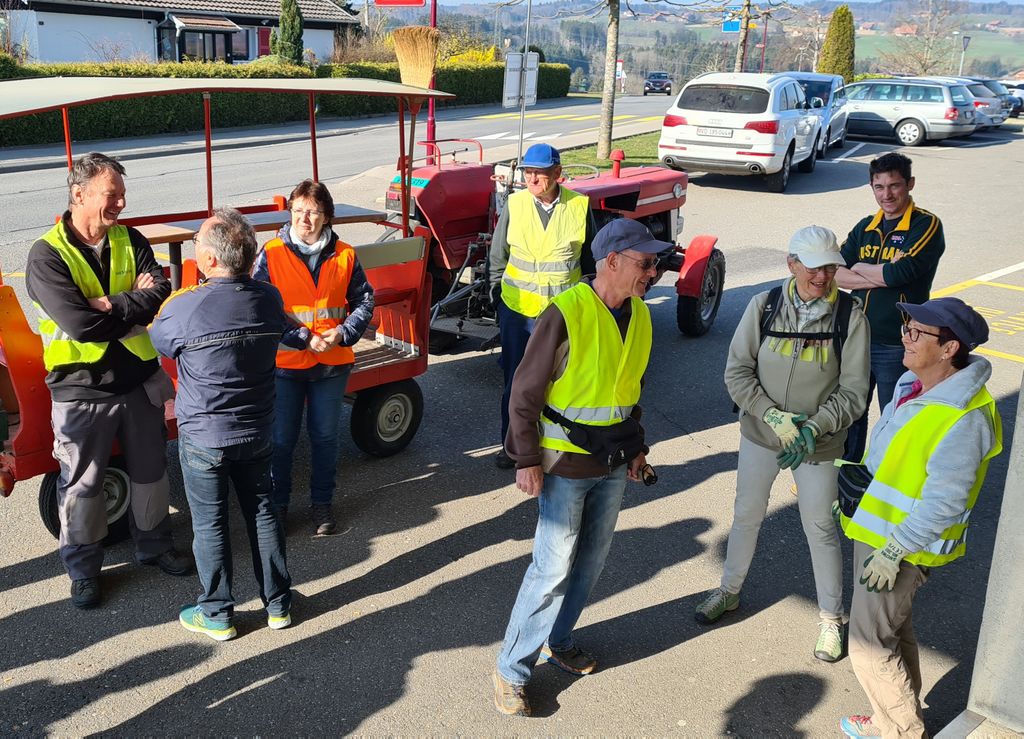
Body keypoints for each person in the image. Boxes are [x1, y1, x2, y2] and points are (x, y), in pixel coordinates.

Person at [492, 218, 660, 717]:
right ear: (612, 261)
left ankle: (559, 639)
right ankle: (510, 671)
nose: (652, 272)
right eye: (645, 263)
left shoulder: (641, 315)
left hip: (613, 461)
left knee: (591, 562)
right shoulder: (566, 312)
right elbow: (524, 392)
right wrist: (526, 459)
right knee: (551, 568)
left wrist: (637, 450)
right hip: (566, 463)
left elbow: (629, 392)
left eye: (655, 264)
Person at [696, 226, 870, 662]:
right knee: (746, 515)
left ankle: (831, 619)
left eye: (830, 267)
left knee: (820, 527)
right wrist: (770, 414)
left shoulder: (850, 317)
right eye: (813, 266)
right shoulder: (764, 305)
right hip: (761, 434)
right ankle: (729, 591)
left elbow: (854, 392)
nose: (823, 276)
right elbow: (737, 371)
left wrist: (813, 428)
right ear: (792, 264)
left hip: (819, 444)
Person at [25, 152, 190, 610]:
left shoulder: (129, 238)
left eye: (122, 193)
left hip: (139, 382)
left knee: (151, 474)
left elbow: (160, 293)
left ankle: (155, 547)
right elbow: (80, 325)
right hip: (81, 391)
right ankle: (83, 570)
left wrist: (109, 304)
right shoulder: (46, 255)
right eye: (111, 194)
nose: (121, 203)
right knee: (82, 486)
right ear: (78, 194)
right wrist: (130, 303)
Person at [839, 298, 1002, 739]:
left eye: (916, 332)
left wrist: (895, 549)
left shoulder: (964, 418)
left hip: (901, 547)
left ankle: (901, 732)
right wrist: (857, 486)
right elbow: (894, 457)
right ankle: (891, 720)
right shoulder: (913, 384)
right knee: (893, 631)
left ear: (949, 349)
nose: (905, 338)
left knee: (869, 646)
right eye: (906, 327)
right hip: (880, 535)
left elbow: (945, 502)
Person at [150, 208, 296, 642]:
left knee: (210, 524)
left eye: (197, 241)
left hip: (205, 436)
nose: (194, 247)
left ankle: (216, 614)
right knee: (262, 512)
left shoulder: (185, 307)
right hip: (257, 429)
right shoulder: (269, 298)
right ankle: (279, 606)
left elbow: (161, 342)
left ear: (211, 259)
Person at [253, 179, 374, 536]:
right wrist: (304, 337)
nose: (304, 219)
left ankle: (322, 504)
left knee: (324, 438)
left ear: (327, 216)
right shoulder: (271, 253)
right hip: (286, 364)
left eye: (313, 212)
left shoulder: (346, 254)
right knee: (281, 440)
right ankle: (278, 506)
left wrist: (344, 333)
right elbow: (261, 307)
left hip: (332, 363)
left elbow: (364, 300)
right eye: (298, 211)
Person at [487, 143, 595, 469]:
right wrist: (497, 298)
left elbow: (590, 263)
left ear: (557, 173)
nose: (532, 179)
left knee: (560, 382)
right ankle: (512, 448)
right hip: (518, 312)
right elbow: (497, 255)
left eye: (540, 173)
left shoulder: (579, 206)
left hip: (562, 314)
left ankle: (554, 447)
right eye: (528, 172)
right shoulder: (516, 204)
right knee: (516, 383)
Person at [837, 153, 945, 462]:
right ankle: (847, 473)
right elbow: (834, 273)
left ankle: (887, 475)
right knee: (851, 413)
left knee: (895, 415)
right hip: (856, 339)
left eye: (894, 185)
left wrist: (860, 268)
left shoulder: (926, 224)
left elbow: (902, 274)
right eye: (879, 186)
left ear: (910, 184)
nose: (886, 194)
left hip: (897, 344)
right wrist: (882, 273)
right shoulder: (865, 227)